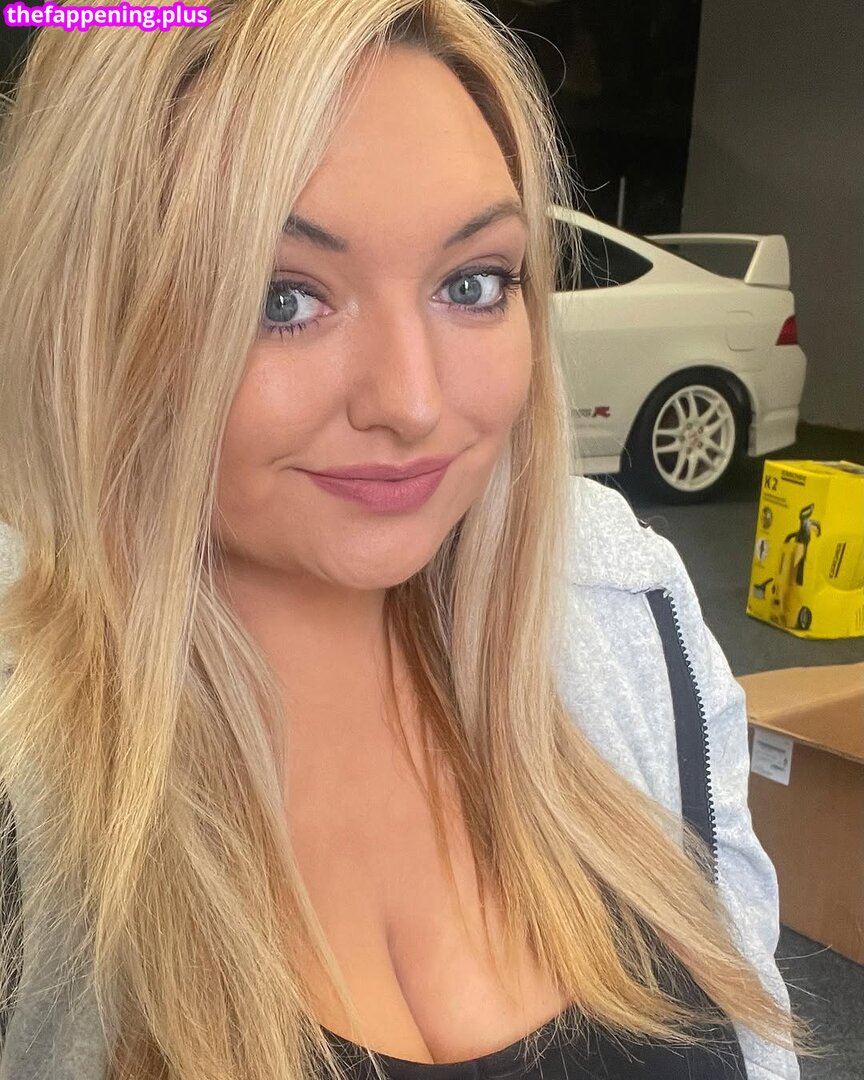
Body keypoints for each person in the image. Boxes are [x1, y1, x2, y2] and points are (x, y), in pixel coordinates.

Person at [0, 2, 805, 1079]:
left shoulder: (629, 608)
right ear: (91, 318)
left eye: (473, 284)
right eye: (282, 299)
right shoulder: (35, 794)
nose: (413, 403)